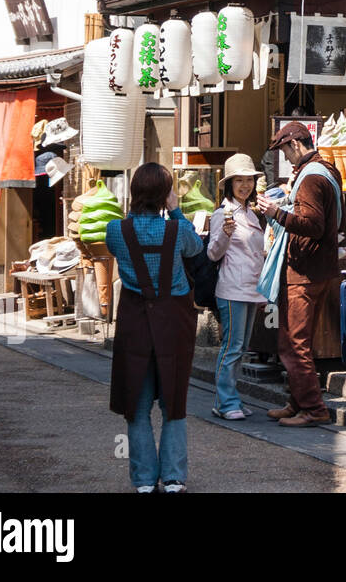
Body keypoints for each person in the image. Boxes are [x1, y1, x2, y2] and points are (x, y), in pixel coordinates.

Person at [105, 164, 204, 493]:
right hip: (173, 321)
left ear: (133, 193)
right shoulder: (176, 232)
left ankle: (144, 481)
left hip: (135, 323)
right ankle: (174, 478)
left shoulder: (116, 230)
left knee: (137, 402)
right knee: (173, 401)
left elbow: (114, 251)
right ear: (166, 194)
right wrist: (175, 211)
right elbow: (196, 249)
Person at [256, 121, 343, 428]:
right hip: (318, 268)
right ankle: (297, 402)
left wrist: (276, 213)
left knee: (294, 343)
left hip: (304, 271)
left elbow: (312, 225)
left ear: (294, 145)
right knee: (293, 340)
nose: (285, 157)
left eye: (283, 150)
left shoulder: (310, 179)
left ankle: (314, 409)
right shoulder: (328, 170)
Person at [206, 154, 267, 421]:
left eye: (249, 180)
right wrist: (225, 233)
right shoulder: (223, 214)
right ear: (229, 184)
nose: (245, 185)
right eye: (239, 180)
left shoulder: (250, 213)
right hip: (232, 289)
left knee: (240, 348)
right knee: (232, 347)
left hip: (250, 289)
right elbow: (212, 254)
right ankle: (224, 401)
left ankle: (231, 398)